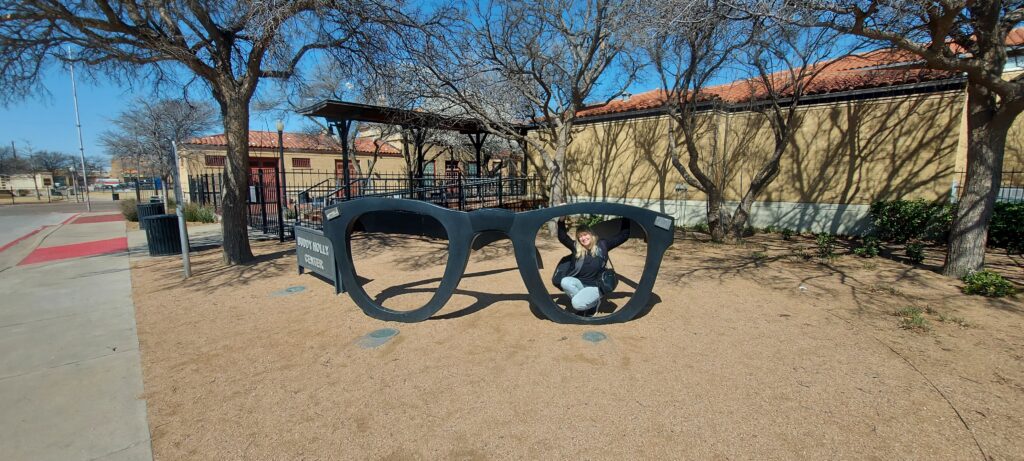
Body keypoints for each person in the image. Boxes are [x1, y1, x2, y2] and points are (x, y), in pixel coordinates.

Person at [556, 216, 630, 314]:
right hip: (580, 284)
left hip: (595, 286)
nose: (583, 238)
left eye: (585, 234)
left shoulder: (603, 245)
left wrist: (626, 217)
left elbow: (623, 236)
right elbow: (563, 237)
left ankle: (593, 304)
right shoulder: (576, 248)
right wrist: (561, 221)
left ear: (591, 234)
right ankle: (587, 304)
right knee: (565, 281)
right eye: (580, 236)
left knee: (576, 304)